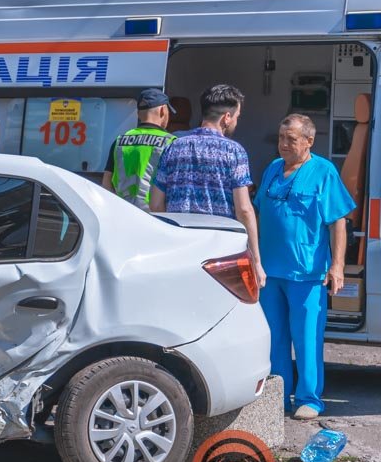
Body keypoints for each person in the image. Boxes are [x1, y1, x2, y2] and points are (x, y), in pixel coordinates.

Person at [255, 114, 355, 419]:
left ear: (309, 141)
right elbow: (258, 213)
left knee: (307, 338)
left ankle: (309, 398)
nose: (284, 144)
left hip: (306, 273)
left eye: (291, 139)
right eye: (281, 138)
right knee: (274, 338)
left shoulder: (323, 171)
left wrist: (337, 266)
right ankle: (279, 397)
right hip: (270, 272)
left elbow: (338, 222)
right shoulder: (273, 168)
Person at [150, 84, 265, 285]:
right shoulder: (234, 151)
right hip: (220, 252)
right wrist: (256, 260)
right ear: (226, 118)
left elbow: (156, 204)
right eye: (237, 116)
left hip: (179, 246)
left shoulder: (174, 146)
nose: (236, 121)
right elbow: (244, 210)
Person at [102, 88, 177, 210]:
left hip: (123, 214)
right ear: (163, 110)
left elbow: (106, 183)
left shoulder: (119, 141)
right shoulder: (171, 142)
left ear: (138, 113)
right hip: (155, 217)